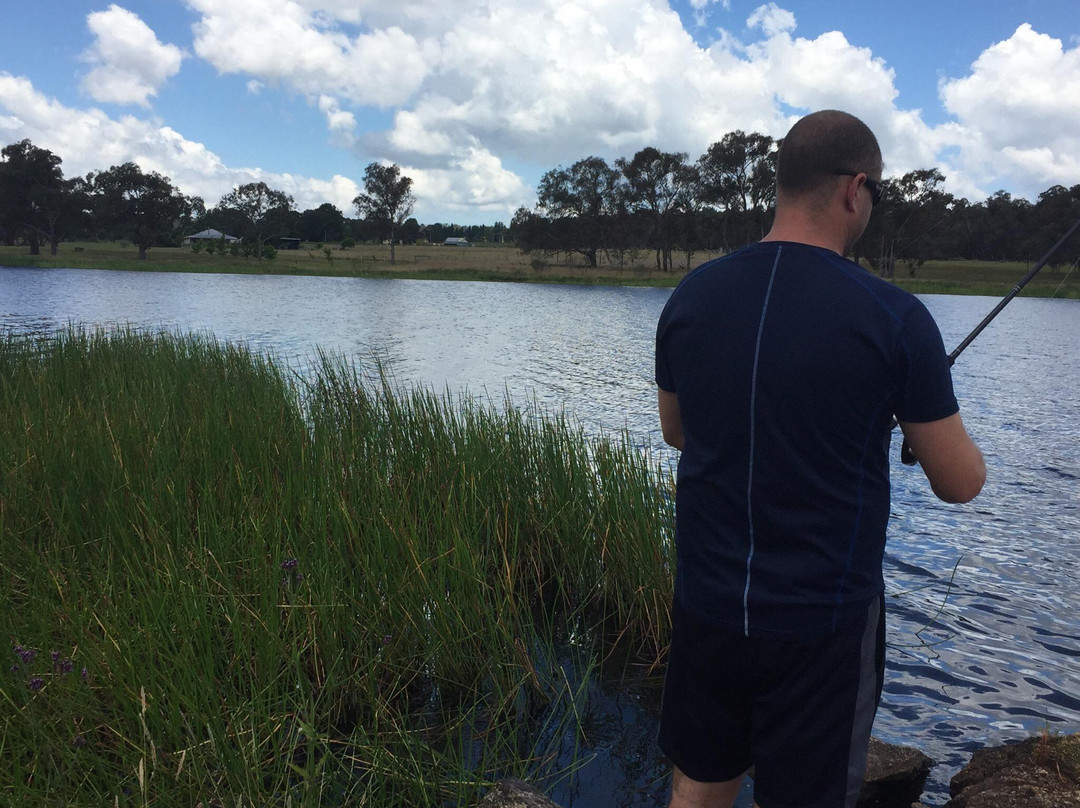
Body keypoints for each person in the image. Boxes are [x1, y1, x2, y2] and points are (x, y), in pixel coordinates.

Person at [654, 110, 985, 808]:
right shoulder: (894, 317)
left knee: (701, 777)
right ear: (854, 188)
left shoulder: (691, 297)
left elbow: (678, 433)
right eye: (877, 194)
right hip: (823, 623)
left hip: (708, 600)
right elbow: (960, 482)